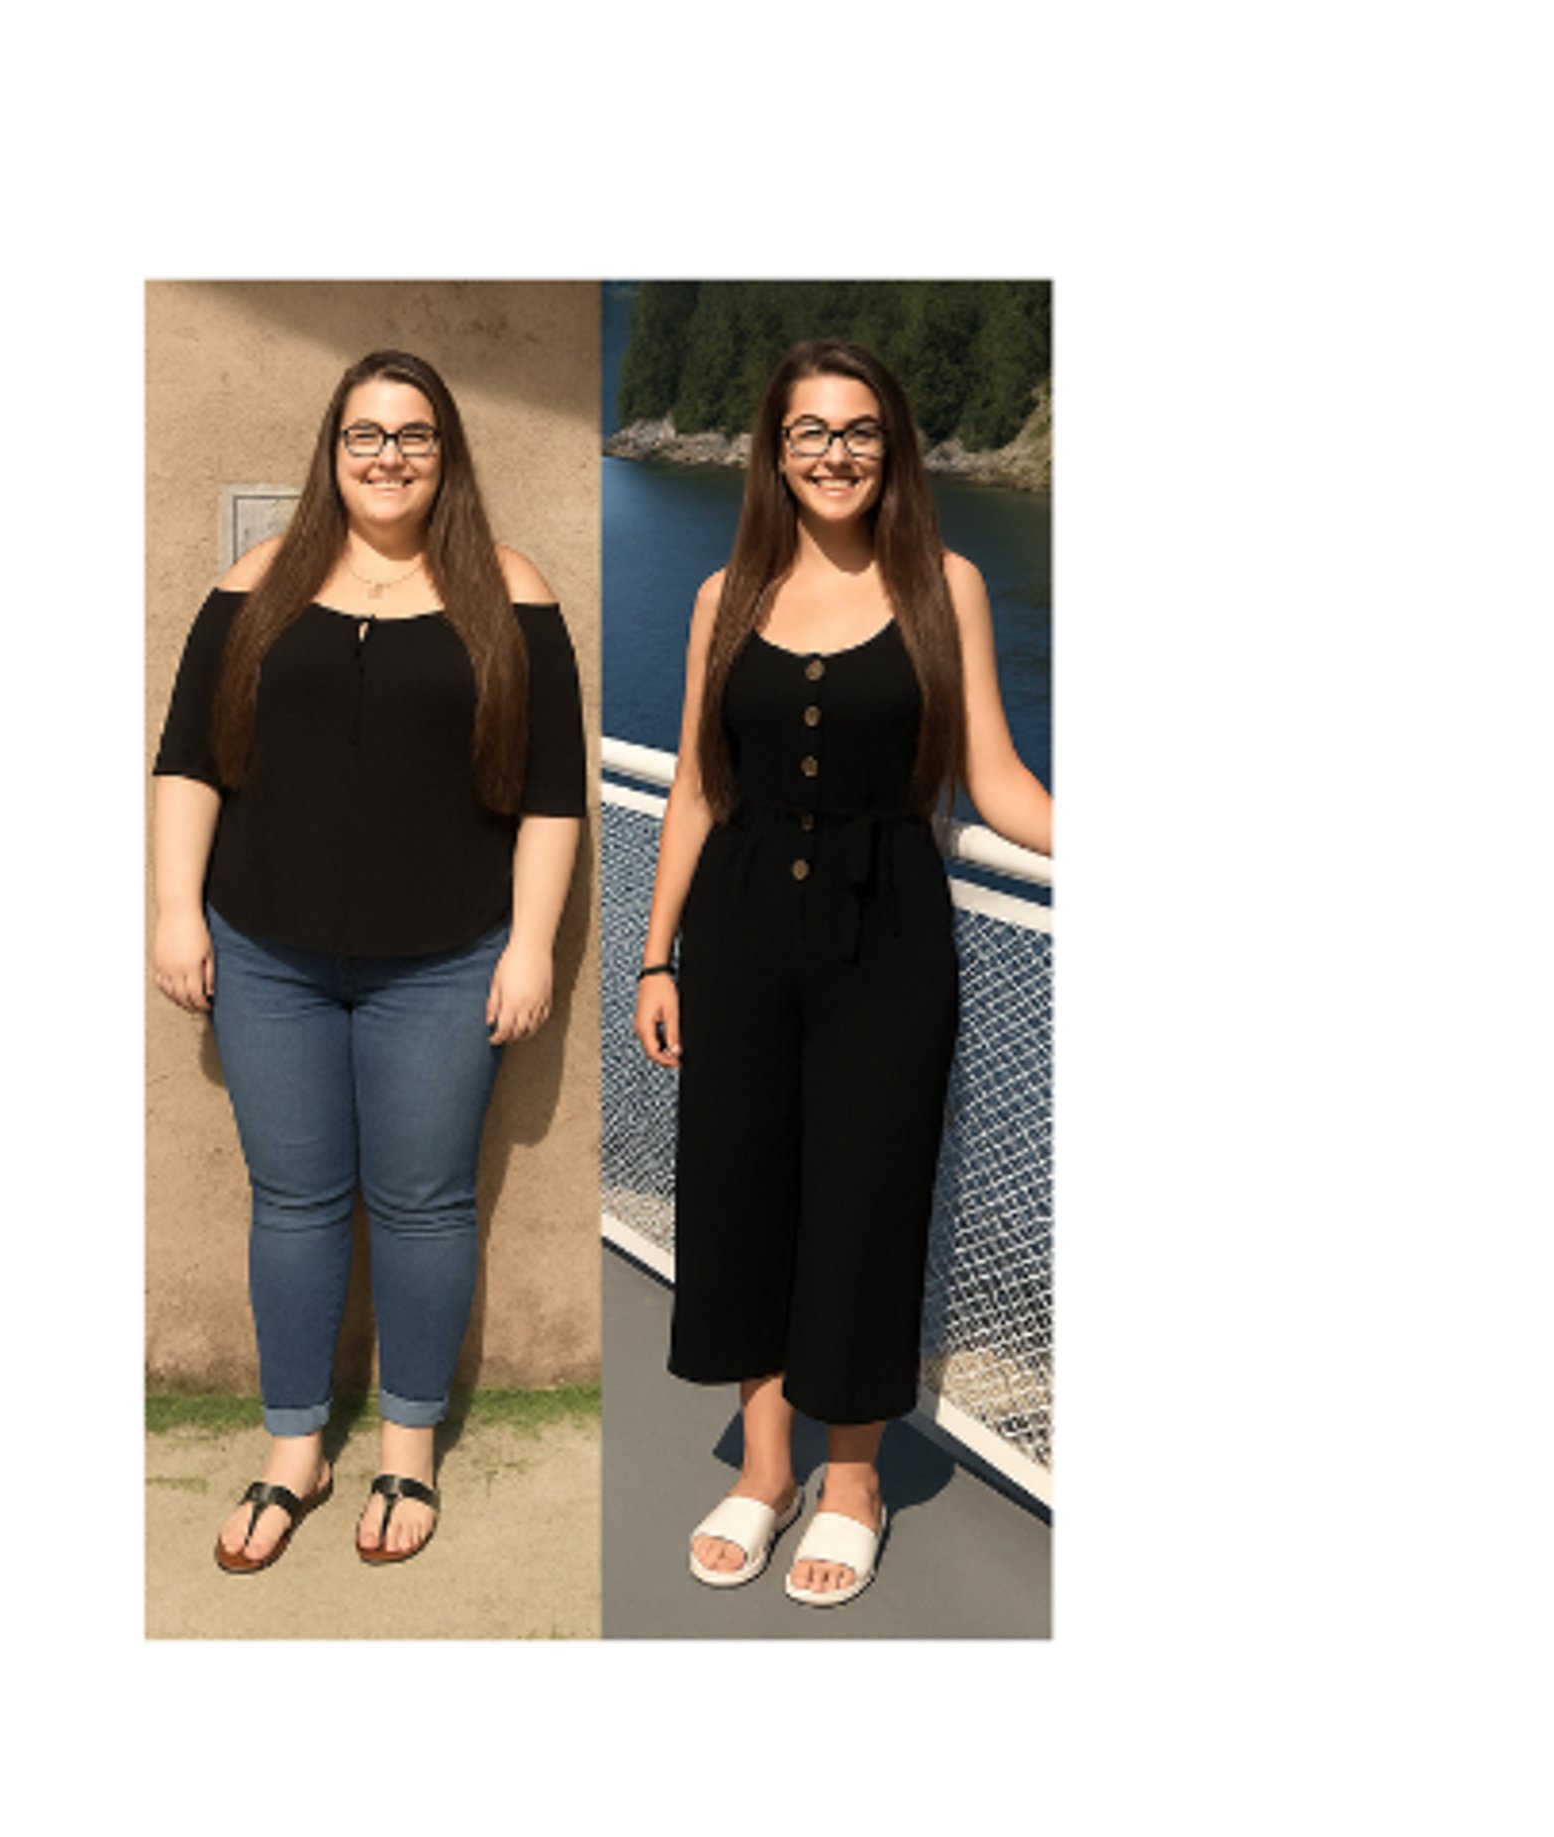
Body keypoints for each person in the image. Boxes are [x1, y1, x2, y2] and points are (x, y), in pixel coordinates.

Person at [632, 338, 1051, 1606]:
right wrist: (659, 955)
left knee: (867, 1197)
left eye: (858, 430)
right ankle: (765, 1469)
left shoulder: (948, 585)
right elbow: (702, 786)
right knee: (743, 1191)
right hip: (744, 930)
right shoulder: (726, 594)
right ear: (773, 450)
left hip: (892, 939)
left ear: (894, 448)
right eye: (808, 432)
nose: (833, 453)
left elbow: (998, 786)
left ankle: (855, 1476)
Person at [152, 348, 585, 1573]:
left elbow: (553, 794)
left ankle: (407, 1447)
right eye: (364, 435)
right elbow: (188, 757)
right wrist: (176, 910)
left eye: (413, 436)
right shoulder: (258, 583)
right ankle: (296, 1447)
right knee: (291, 1203)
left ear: (445, 455)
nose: (387, 456)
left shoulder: (510, 590)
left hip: (446, 964)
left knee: (425, 1204)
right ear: (331, 454)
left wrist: (532, 946)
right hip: (265, 953)